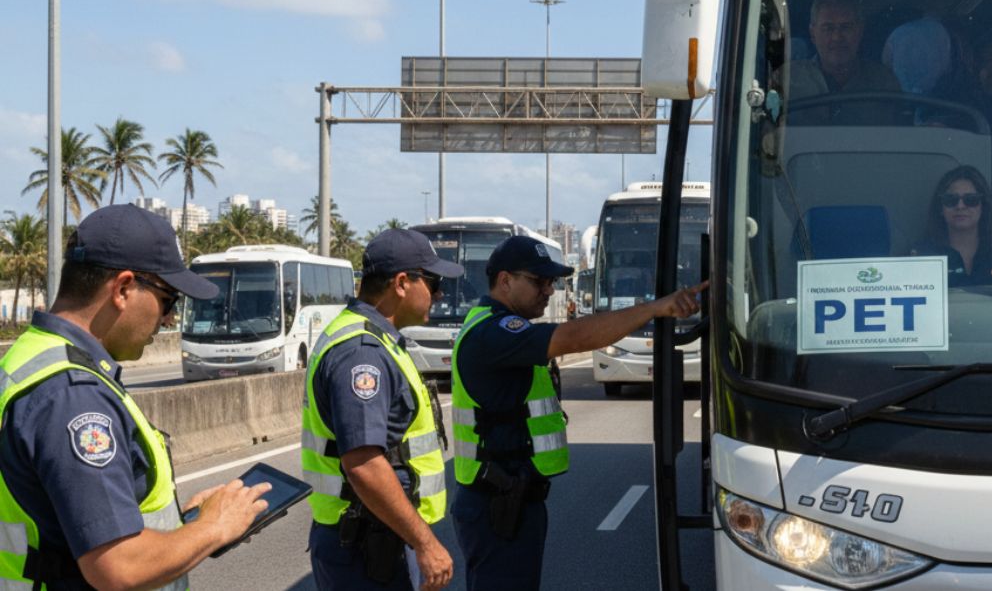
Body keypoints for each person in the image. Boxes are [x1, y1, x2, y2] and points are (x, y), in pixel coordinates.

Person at [0, 204, 270, 590]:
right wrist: (215, 527)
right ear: (124, 288)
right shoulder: (74, 396)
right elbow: (119, 566)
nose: (169, 321)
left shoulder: (31, 355)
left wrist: (184, 524)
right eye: (168, 300)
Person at [450, 235, 704, 590]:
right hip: (496, 503)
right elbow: (574, 337)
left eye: (552, 282)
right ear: (505, 280)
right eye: (539, 281)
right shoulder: (492, 333)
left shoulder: (502, 328)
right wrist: (654, 308)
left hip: (512, 497)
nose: (549, 291)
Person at [302, 228, 464, 590]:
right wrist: (425, 543)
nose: (439, 294)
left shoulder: (372, 340)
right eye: (434, 282)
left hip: (374, 532)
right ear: (402, 283)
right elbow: (363, 463)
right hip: (368, 542)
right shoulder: (363, 353)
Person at [790, 0, 900, 124]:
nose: (837, 37)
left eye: (846, 27)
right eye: (828, 28)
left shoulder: (884, 83)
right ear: (813, 34)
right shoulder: (788, 80)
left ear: (860, 31)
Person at [912, 166, 992, 286]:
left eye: (971, 199)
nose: (960, 206)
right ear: (940, 208)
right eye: (951, 200)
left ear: (984, 206)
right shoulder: (922, 255)